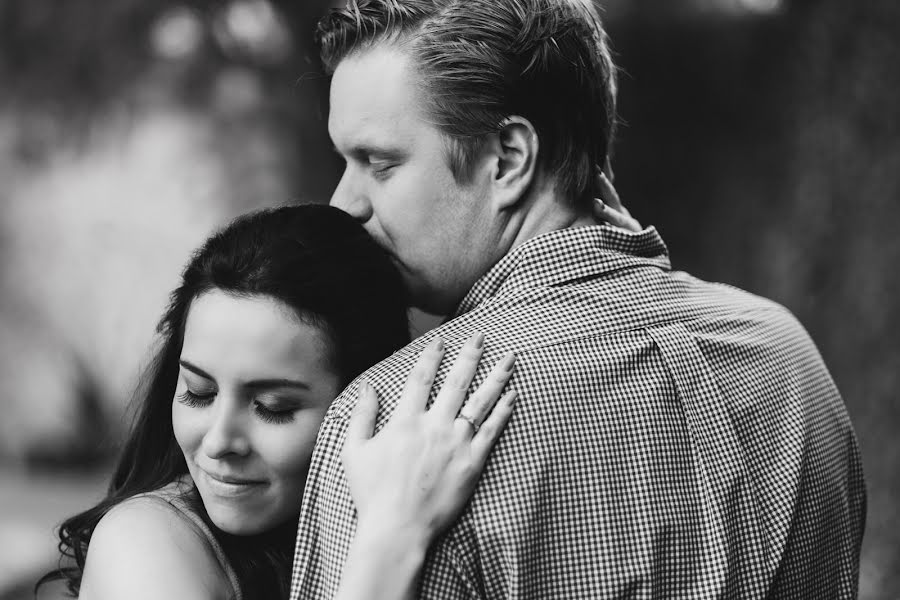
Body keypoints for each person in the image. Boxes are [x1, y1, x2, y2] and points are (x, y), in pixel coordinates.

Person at [290, 0, 866, 598]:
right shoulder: (790, 357)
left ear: (508, 160)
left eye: (378, 163)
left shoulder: (392, 429)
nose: (343, 203)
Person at [38, 204, 520, 600]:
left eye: (272, 406)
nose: (220, 441)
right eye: (198, 393)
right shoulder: (144, 542)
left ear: (362, 399)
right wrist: (391, 540)